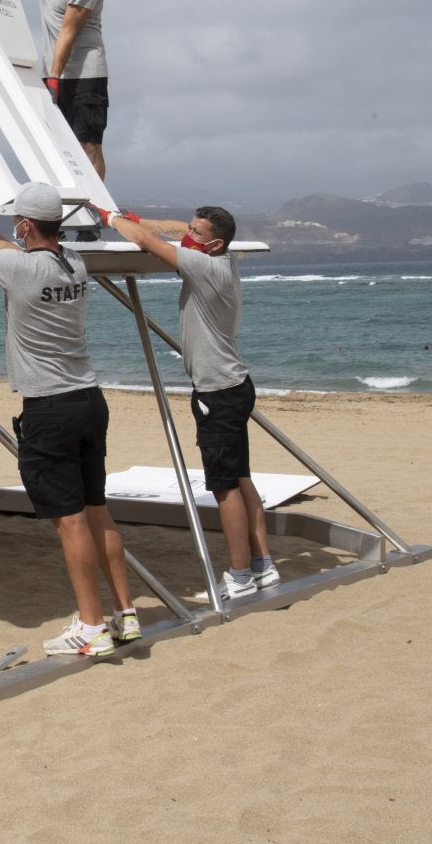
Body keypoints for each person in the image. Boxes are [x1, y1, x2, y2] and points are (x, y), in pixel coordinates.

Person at [0, 181, 138, 657]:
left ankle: (91, 627)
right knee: (96, 511)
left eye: (15, 224)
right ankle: (125, 615)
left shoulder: (20, 267)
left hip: (49, 408)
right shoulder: (73, 262)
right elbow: (14, 255)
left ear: (27, 224)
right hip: (88, 399)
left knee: (69, 523)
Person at [101, 203, 277, 600]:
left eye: (196, 234)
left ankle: (239, 574)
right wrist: (133, 218)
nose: (188, 236)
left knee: (224, 487)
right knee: (241, 477)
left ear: (214, 244)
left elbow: (147, 242)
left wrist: (108, 218)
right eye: (190, 229)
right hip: (235, 385)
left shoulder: (206, 266)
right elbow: (156, 230)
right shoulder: (222, 258)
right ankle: (262, 564)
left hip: (217, 392)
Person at [10, 0, 109, 197]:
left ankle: (94, 210)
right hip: (54, 73)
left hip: (85, 74)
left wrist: (53, 76)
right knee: (58, 145)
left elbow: (68, 30)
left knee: (88, 144)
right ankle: (63, 209)